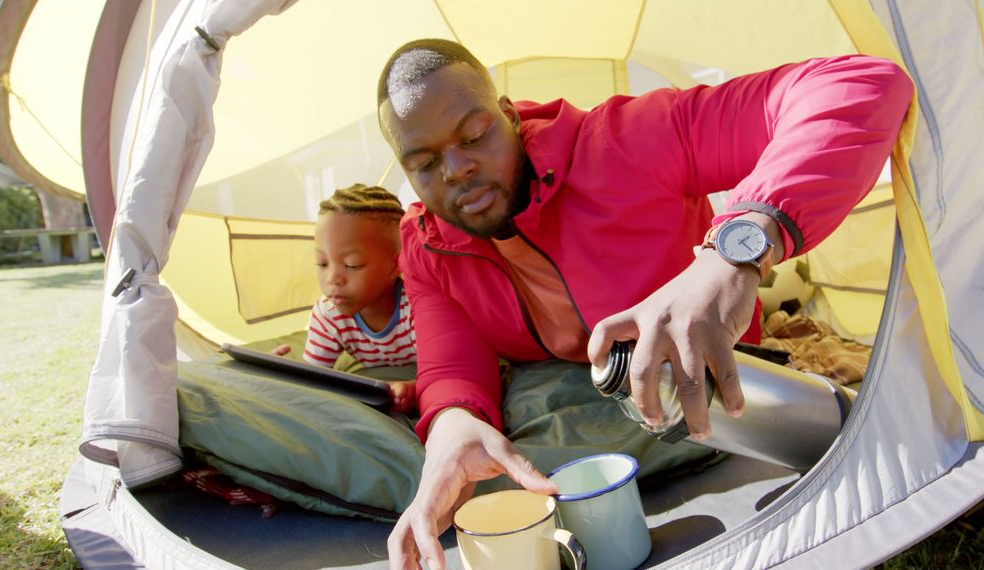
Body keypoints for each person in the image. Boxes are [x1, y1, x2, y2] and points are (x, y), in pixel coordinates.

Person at [377, 39, 913, 568]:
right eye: (424, 164)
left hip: (718, 387)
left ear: (510, 116)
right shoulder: (426, 244)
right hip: (584, 390)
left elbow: (864, 86)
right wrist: (449, 423)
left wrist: (735, 250)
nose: (455, 169)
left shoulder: (626, 142)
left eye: (474, 135)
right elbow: (454, 367)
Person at [274, 183, 418, 412]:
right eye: (322, 263)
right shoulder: (328, 314)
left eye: (352, 265)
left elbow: (452, 371)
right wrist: (275, 372)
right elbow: (313, 379)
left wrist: (413, 388)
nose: (332, 278)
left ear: (395, 264)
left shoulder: (417, 307)